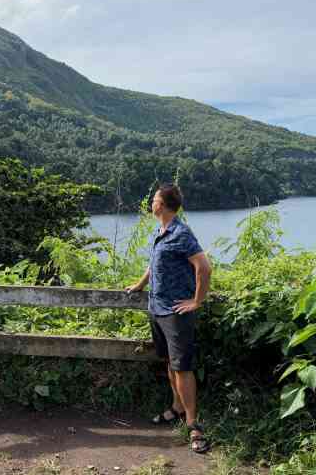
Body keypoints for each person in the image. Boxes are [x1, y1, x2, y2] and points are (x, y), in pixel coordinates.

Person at [126, 183, 212, 454]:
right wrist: (140, 285)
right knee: (170, 363)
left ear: (161, 205)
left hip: (176, 313)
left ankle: (193, 424)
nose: (151, 203)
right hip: (157, 308)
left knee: (183, 366)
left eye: (154, 199)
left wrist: (197, 301)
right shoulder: (160, 232)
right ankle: (176, 407)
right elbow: (154, 264)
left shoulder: (181, 233)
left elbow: (204, 267)